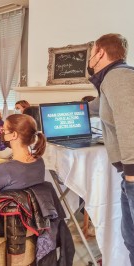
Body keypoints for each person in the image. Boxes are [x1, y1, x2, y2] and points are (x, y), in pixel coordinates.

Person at [87, 33, 134, 264]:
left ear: (100, 53)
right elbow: (97, 107)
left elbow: (130, 124)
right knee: (130, 238)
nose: (89, 60)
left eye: (91, 54)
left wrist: (132, 172)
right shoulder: (113, 79)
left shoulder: (117, 78)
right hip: (129, 176)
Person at [0, 114, 46, 199]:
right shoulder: (40, 161)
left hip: (2, 209)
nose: (2, 133)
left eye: (4, 130)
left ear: (14, 135)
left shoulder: (6, 170)